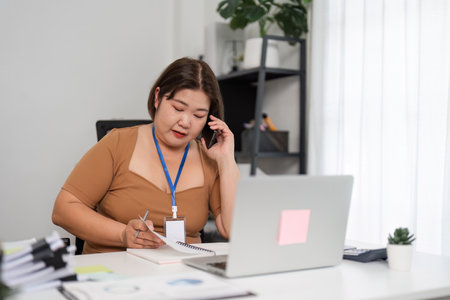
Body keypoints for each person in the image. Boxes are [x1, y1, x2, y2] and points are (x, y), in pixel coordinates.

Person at [52, 57, 240, 254]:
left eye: (198, 115)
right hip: (115, 273)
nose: (185, 122)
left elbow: (231, 229)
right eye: (178, 108)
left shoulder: (208, 159)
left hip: (182, 275)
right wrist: (123, 235)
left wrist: (227, 161)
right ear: (158, 98)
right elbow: (63, 210)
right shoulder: (117, 143)